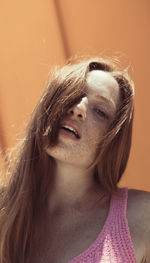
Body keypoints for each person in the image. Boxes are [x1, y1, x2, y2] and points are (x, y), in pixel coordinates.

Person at [0, 57, 150, 263]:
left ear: (112, 140)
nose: (78, 109)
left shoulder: (142, 215)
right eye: (71, 95)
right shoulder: (4, 212)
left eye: (100, 111)